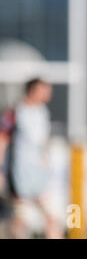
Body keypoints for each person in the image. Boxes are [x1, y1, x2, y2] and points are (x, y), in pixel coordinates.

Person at [0, 78, 62, 238]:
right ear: (33, 90)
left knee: (52, 218)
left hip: (40, 177)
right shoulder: (15, 112)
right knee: (21, 220)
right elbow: (2, 140)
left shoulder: (43, 112)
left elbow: (43, 142)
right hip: (19, 176)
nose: (49, 94)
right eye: (45, 90)